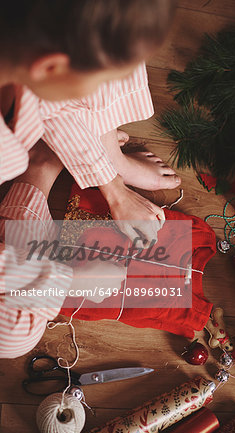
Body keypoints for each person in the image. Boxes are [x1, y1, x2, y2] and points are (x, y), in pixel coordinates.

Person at [0, 0, 179, 358]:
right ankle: (44, 162)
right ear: (48, 66)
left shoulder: (23, 57)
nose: (93, 103)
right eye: (94, 87)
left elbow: (53, 105)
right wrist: (68, 281)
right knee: (14, 336)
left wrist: (114, 188)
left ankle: (44, 160)